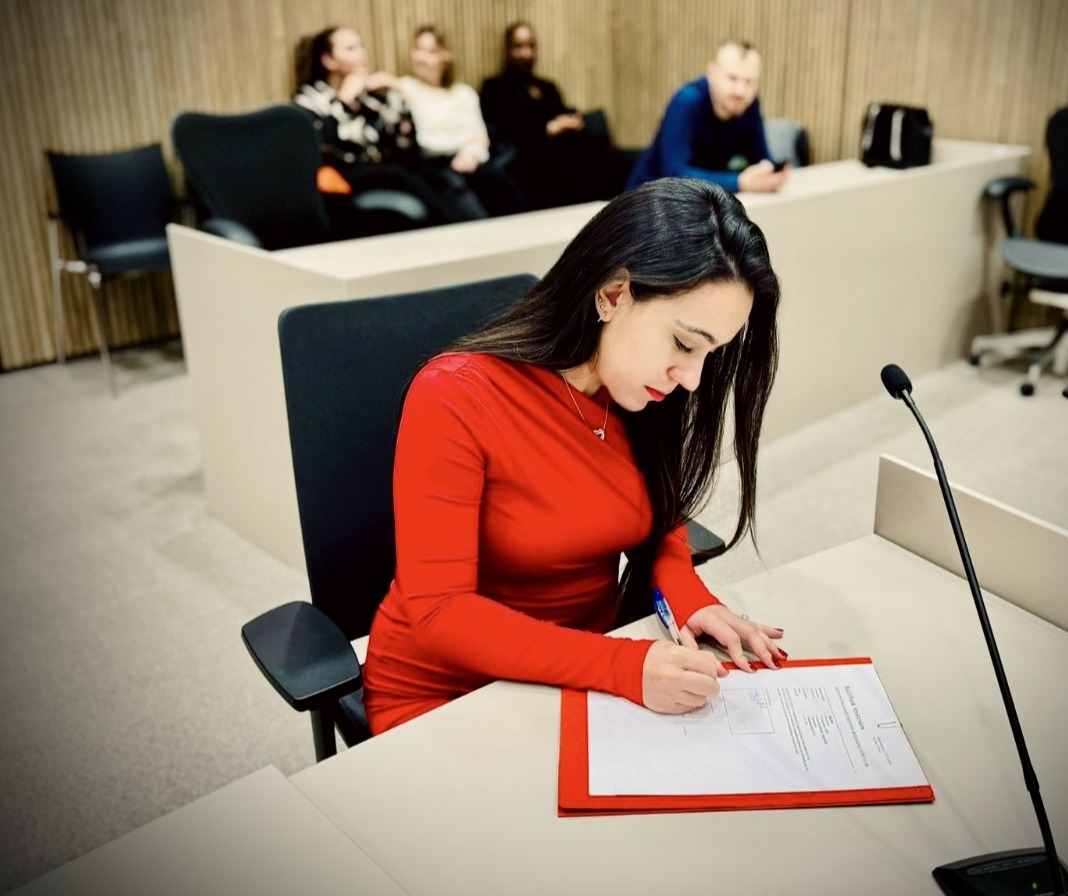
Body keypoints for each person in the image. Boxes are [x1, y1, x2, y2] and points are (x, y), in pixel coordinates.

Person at [362, 178, 786, 735]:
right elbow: (441, 612)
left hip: (582, 674)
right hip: (449, 690)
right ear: (612, 295)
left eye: (711, 352)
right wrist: (624, 666)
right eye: (684, 344)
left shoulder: (639, 393)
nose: (692, 379)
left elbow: (660, 516)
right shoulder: (455, 394)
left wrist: (686, 594)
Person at [292, 26, 481, 225]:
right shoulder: (311, 99)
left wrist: (399, 97)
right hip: (345, 173)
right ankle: (452, 228)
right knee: (395, 173)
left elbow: (405, 144)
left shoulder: (370, 99)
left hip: (385, 167)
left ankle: (471, 228)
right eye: (350, 49)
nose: (362, 54)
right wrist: (344, 101)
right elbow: (327, 144)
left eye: (361, 46)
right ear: (329, 60)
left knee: (434, 174)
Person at [399, 24, 529, 218]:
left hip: (470, 161)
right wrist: (465, 143)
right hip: (434, 167)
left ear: (445, 57)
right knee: (459, 192)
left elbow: (480, 138)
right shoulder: (405, 89)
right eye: (418, 49)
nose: (421, 57)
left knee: (503, 185)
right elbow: (425, 142)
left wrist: (471, 153)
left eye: (431, 51)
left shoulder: (463, 94)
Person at [626, 40, 790, 193]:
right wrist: (739, 182)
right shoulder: (686, 102)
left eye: (749, 82)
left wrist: (770, 172)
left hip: (700, 201)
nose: (740, 91)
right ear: (711, 74)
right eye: (732, 78)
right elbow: (675, 173)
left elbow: (761, 157)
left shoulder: (749, 104)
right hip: (649, 199)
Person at [480, 21, 612, 208]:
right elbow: (507, 132)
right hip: (526, 161)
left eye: (531, 46)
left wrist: (573, 120)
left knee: (593, 147)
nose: (526, 53)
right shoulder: (495, 88)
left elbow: (562, 112)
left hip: (563, 155)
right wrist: (551, 129)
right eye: (518, 46)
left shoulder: (547, 87)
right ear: (508, 50)